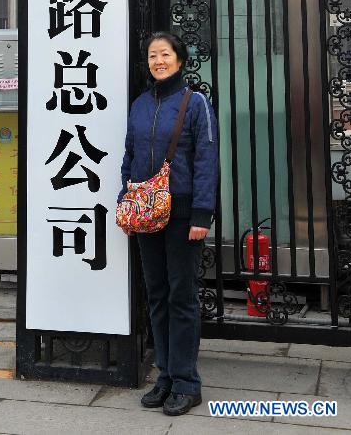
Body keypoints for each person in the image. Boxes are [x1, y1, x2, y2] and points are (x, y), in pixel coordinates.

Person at [119, 31, 218, 417]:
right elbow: (130, 155)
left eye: (165, 54)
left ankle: (186, 382)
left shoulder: (196, 104)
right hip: (146, 213)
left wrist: (201, 214)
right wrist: (124, 201)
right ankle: (165, 376)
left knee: (182, 296)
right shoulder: (141, 104)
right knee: (157, 295)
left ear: (179, 59)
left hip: (183, 216)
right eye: (152, 55)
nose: (158, 61)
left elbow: (207, 160)